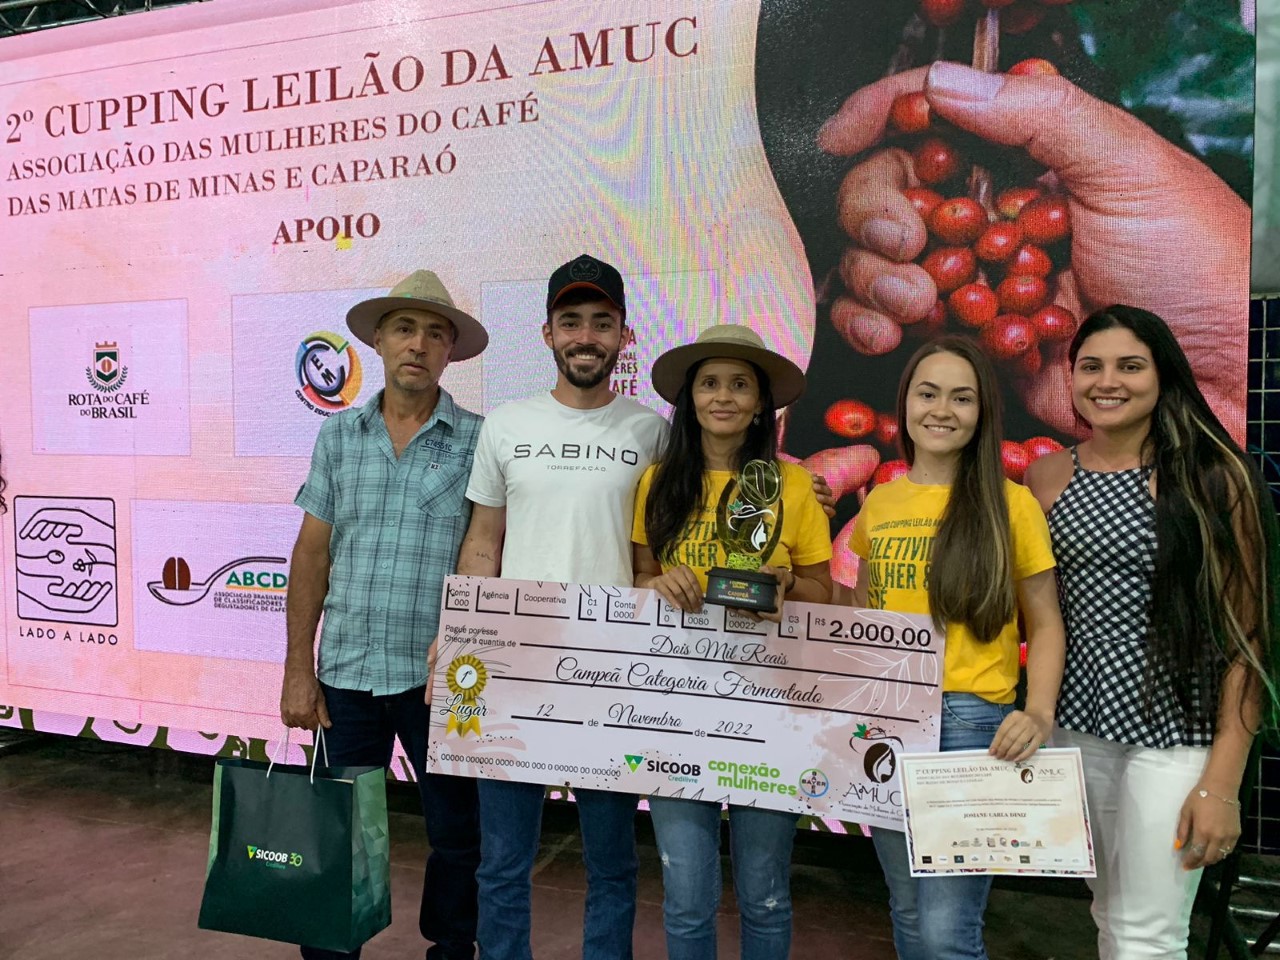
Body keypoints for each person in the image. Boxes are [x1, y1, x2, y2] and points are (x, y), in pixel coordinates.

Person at [1024, 305, 1280, 959]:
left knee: (1147, 935)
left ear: (1163, 375)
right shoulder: (1048, 475)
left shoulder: (1217, 477)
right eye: (1091, 366)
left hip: (1179, 734)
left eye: (1130, 366)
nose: (1108, 382)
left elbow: (1250, 638)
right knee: (1109, 915)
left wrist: (1222, 783)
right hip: (1074, 728)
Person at [454, 254, 667, 960]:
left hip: (616, 674)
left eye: (601, 323)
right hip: (515, 666)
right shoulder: (506, 427)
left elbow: (664, 553)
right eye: (571, 321)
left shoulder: (652, 433)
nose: (585, 336)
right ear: (546, 333)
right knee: (502, 861)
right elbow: (483, 543)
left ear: (623, 337)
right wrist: (461, 638)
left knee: (612, 862)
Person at [279, 270, 487, 960]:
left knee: (460, 837)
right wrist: (297, 672)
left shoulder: (480, 441)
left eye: (435, 333)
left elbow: (491, 551)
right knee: (342, 832)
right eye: (404, 329)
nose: (418, 345)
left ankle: (452, 949)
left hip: (441, 680)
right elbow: (311, 556)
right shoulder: (338, 438)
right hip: (346, 676)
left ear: (451, 350)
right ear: (376, 341)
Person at [850, 335, 1066, 960]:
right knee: (908, 908)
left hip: (970, 724)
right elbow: (865, 612)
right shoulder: (881, 502)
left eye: (962, 398)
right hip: (883, 722)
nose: (942, 410)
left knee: (947, 930)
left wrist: (1040, 711)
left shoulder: (1013, 504)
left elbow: (1046, 623)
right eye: (928, 393)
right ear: (906, 403)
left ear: (981, 414)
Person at [631, 324, 833, 959]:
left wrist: (786, 585)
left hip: (769, 710)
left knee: (765, 892)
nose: (724, 396)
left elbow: (825, 591)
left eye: (740, 385)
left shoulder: (794, 485)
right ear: (689, 398)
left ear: (760, 405)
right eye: (710, 383)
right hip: (675, 707)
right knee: (686, 893)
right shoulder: (657, 482)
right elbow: (638, 575)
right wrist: (659, 582)